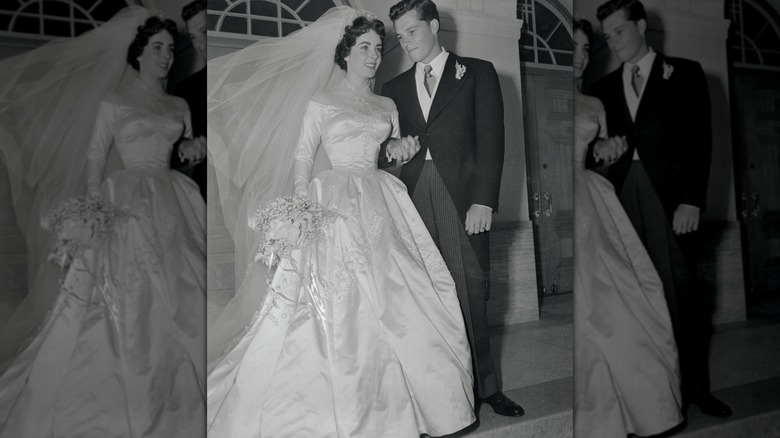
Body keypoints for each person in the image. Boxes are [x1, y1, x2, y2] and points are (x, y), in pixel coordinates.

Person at [206, 7, 475, 437]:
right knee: (335, 301)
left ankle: (418, 405)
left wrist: (399, 151)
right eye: (364, 47)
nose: (373, 55)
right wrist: (299, 206)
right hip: (332, 199)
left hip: (381, 198)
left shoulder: (386, 103)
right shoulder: (322, 101)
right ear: (345, 53)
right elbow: (301, 154)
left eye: (377, 47)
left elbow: (388, 153)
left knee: (401, 292)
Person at [0, 9, 206, 436]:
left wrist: (192, 150)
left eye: (170, 48)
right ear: (138, 53)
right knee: (122, 293)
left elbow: (182, 152)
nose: (165, 56)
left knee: (185, 282)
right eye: (156, 48)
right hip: (124, 198)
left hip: (172, 197)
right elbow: (96, 154)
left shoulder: (179, 104)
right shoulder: (115, 102)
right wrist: (94, 207)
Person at [587, 0, 731, 418]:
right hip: (619, 201)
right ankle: (649, 393)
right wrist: (601, 152)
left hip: (670, 202)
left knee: (681, 295)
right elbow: (593, 154)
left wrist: (692, 199)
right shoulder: (602, 89)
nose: (613, 42)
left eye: (619, 31)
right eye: (608, 36)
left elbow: (698, 140)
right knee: (632, 299)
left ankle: (696, 390)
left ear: (642, 25)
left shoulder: (684, 73)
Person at [380, 0, 523, 417]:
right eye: (400, 35)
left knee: (470, 289)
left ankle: (487, 387)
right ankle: (442, 390)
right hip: (411, 197)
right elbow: (383, 154)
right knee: (425, 295)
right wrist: (393, 151)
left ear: (435, 25)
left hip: (462, 199)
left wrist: (484, 199)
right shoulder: (394, 90)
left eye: (412, 31)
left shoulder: (477, 72)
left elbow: (492, 141)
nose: (406, 42)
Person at [572, 17, 683, 437]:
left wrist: (606, 150)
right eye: (574, 48)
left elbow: (598, 154)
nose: (581, 56)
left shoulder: (594, 103)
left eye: (586, 48)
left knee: (621, 298)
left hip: (596, 202)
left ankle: (640, 404)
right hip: (571, 202)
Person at [171, 0, 207, 199]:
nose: (199, 45)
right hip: (205, 195)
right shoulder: (185, 89)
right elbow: (171, 149)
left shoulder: (249, 75)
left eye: (205, 32)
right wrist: (185, 150)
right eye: (193, 37)